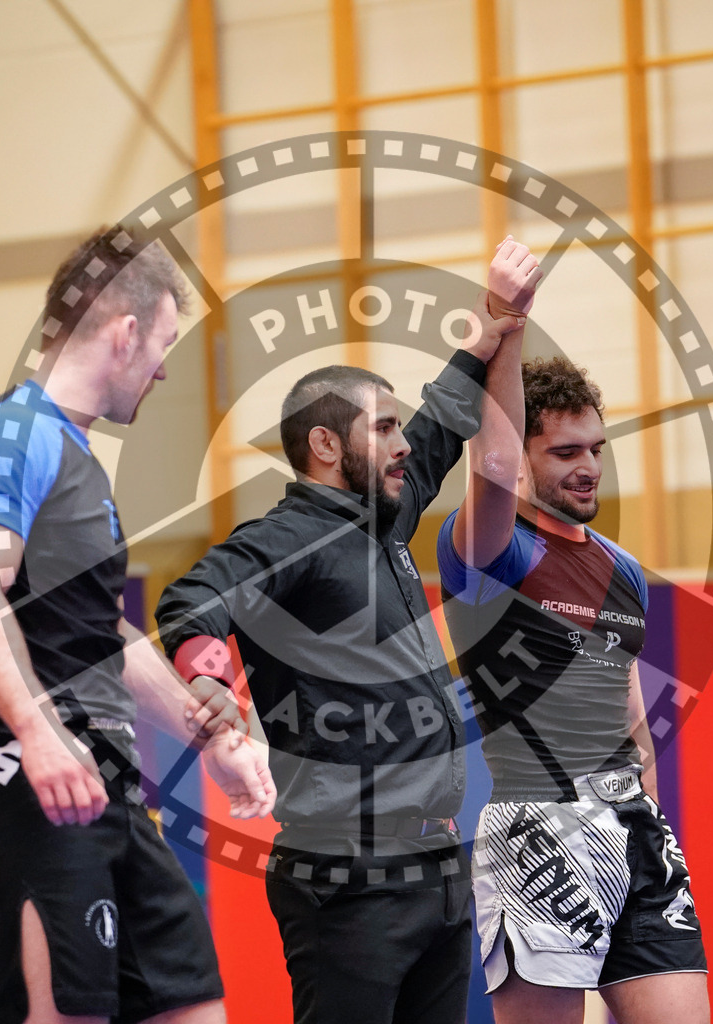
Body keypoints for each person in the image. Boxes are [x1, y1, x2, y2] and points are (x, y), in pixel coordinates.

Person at [153, 252, 532, 1024]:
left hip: (433, 864)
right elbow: (192, 599)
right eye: (382, 429)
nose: (403, 447)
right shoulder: (287, 538)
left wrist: (497, 323)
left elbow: (443, 422)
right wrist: (205, 684)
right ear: (327, 446)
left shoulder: (385, 514)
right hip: (348, 872)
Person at [0, 224, 276, 1024]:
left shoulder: (75, 455)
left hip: (111, 791)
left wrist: (212, 735)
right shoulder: (10, 437)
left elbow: (101, 637)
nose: (163, 370)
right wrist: (40, 727)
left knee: (196, 1007)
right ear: (125, 332)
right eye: (162, 345)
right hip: (30, 790)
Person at [436, 238, 710, 1024]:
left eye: (596, 448)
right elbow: (485, 462)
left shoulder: (623, 569)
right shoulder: (491, 550)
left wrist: (651, 819)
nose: (588, 466)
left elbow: (632, 719)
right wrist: (509, 324)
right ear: (522, 462)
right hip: (537, 827)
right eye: (564, 453)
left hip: (635, 828)